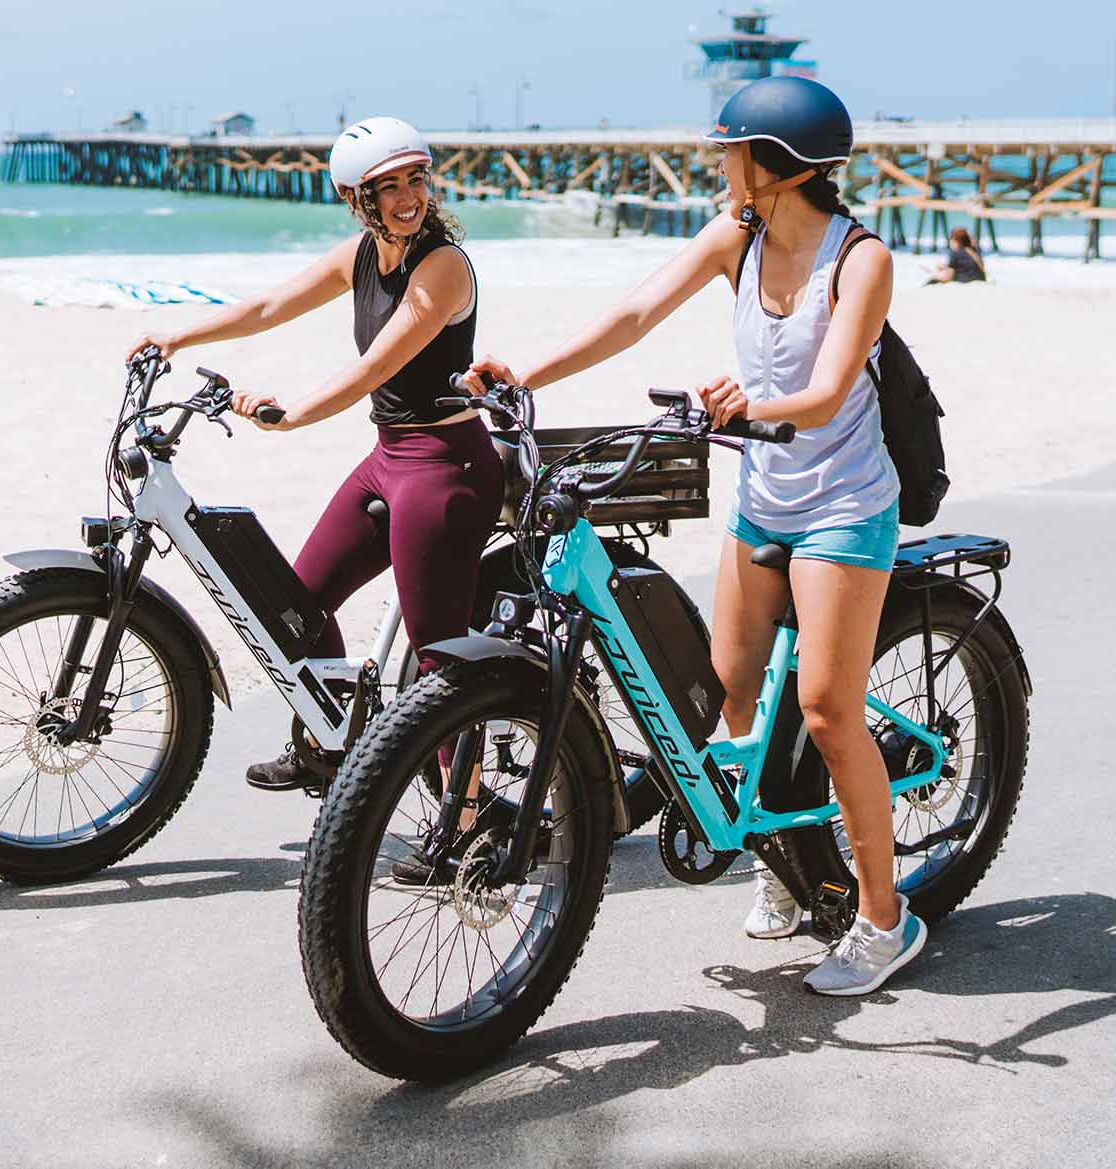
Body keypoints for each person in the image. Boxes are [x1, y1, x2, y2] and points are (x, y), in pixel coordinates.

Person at [464, 77, 926, 996]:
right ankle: (780, 857)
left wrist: (752, 405)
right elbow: (634, 314)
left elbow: (831, 393)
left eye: (729, 151)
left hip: (844, 503)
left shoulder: (858, 260)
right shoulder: (737, 239)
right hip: (765, 500)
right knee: (730, 685)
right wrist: (530, 374)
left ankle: (886, 919)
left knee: (832, 712)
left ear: (776, 164)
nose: (719, 165)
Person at [125, 116, 502, 797]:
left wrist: (293, 415)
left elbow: (374, 367)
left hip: (448, 465)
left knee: (435, 652)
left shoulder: (442, 267)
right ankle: (334, 748)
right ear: (358, 198)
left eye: (416, 179)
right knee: (298, 606)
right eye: (387, 187)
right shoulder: (361, 253)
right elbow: (270, 304)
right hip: (390, 456)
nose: (408, 196)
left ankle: (469, 822)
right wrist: (176, 336)